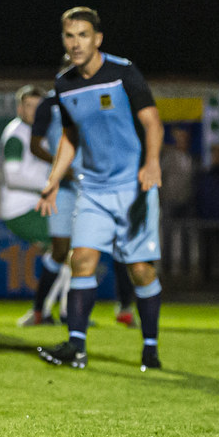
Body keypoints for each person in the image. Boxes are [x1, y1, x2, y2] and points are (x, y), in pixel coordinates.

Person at [35, 6, 164, 371]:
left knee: (140, 269)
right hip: (92, 189)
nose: (75, 43)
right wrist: (53, 180)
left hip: (133, 187)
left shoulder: (123, 73)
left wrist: (152, 162)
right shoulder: (64, 84)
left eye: (83, 35)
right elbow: (70, 137)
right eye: (69, 36)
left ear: (98, 39)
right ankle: (76, 347)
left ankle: (150, 347)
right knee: (82, 260)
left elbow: (153, 123)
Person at [30, 69, 140, 328]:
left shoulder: (104, 96)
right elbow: (35, 145)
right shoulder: (50, 103)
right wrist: (60, 169)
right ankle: (39, 309)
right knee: (60, 250)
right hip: (65, 185)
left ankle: (121, 307)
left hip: (99, 183)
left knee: (116, 244)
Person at [0, 84, 62, 325]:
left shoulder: (42, 131)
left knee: (64, 253)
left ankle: (49, 311)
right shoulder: (16, 134)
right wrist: (49, 183)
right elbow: (12, 176)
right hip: (22, 210)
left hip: (35, 206)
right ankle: (47, 311)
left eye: (38, 106)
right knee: (66, 247)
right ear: (19, 108)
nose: (33, 111)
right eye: (28, 106)